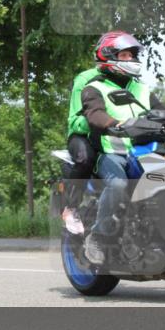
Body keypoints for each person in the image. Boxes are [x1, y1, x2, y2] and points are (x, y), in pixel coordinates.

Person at [79, 31, 165, 265]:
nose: (131, 59)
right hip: (111, 153)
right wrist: (115, 124)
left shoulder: (142, 89)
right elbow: (94, 114)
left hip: (143, 151)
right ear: (109, 56)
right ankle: (97, 237)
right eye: (125, 55)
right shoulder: (94, 88)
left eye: (132, 55)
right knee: (119, 184)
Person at [61, 64, 106, 235]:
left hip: (119, 135)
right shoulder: (85, 78)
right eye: (121, 54)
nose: (128, 59)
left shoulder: (132, 81)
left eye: (130, 55)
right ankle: (71, 207)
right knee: (85, 158)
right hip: (84, 134)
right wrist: (99, 122)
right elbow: (75, 118)